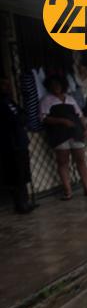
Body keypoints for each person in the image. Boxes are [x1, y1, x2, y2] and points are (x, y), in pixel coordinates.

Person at [40, 75, 87, 200]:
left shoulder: (70, 98)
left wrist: (85, 128)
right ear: (49, 86)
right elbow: (44, 118)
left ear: (63, 85)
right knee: (63, 162)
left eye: (58, 84)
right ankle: (68, 191)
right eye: (53, 85)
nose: (56, 87)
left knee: (81, 160)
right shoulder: (46, 100)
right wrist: (62, 121)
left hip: (75, 132)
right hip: (59, 134)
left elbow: (80, 115)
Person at [0, 78, 36, 213]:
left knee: (23, 173)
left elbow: (23, 116)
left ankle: (25, 201)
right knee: (15, 174)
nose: (7, 87)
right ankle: (20, 203)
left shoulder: (11, 101)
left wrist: (20, 119)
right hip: (10, 143)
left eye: (8, 85)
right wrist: (19, 120)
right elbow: (13, 120)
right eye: (4, 85)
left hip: (20, 141)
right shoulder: (2, 103)